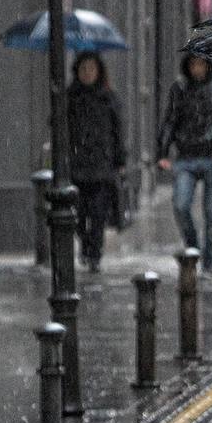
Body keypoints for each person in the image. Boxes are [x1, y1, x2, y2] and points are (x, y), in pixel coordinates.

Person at [156, 54, 212, 270]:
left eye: (201, 64)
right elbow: (170, 120)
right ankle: (193, 248)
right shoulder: (180, 88)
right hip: (186, 157)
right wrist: (163, 153)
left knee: (211, 213)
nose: (197, 69)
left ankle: (209, 261)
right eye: (193, 64)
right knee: (180, 205)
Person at [67, 52, 126, 274]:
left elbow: (117, 131)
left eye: (92, 69)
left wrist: (120, 159)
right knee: (80, 213)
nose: (88, 73)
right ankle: (85, 244)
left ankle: (95, 253)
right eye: (83, 69)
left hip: (102, 166)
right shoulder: (70, 98)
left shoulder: (109, 98)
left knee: (98, 213)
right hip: (77, 165)